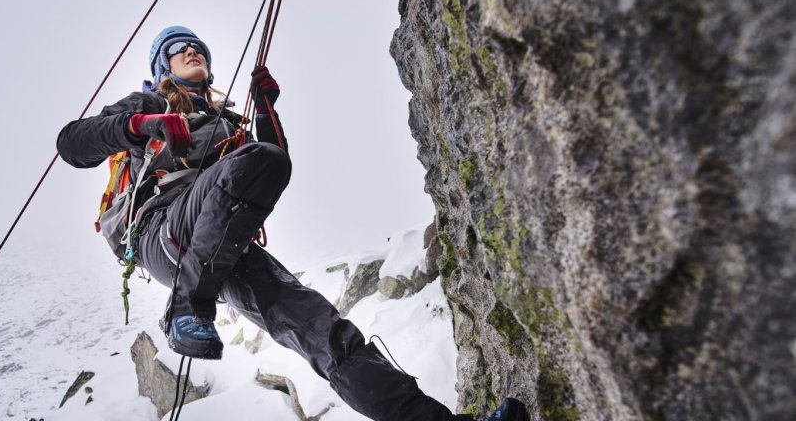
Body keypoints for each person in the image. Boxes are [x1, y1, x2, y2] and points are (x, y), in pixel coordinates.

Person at [56, 26, 529, 421]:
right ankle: (186, 306)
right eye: (178, 49)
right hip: (165, 233)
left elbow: (268, 164)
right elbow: (72, 143)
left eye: (197, 45)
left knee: (330, 337)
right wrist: (142, 124)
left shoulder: (224, 121)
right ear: (162, 68)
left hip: (223, 247)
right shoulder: (142, 104)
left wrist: (264, 107)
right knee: (259, 162)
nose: (191, 49)